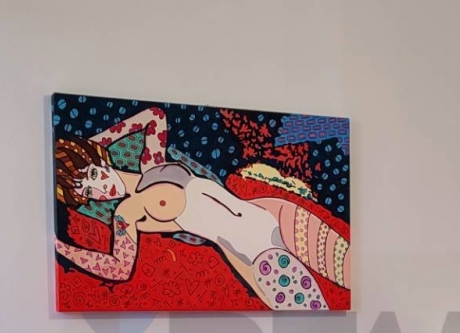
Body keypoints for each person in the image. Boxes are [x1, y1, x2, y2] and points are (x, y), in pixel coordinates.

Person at [53, 107, 350, 311]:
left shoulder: (151, 165)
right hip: (254, 252)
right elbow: (119, 269)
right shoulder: (127, 212)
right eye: (88, 192)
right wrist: (63, 248)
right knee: (317, 312)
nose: (101, 188)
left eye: (94, 175)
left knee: (349, 271)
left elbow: (154, 116)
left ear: (99, 159)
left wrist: (94, 143)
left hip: (273, 212)